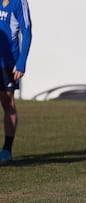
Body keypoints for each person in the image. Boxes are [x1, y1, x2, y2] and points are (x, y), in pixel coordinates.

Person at [0, 0, 32, 163]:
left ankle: (7, 149)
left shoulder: (19, 2)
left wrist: (21, 62)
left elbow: (27, 31)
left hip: (8, 62)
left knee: (8, 102)